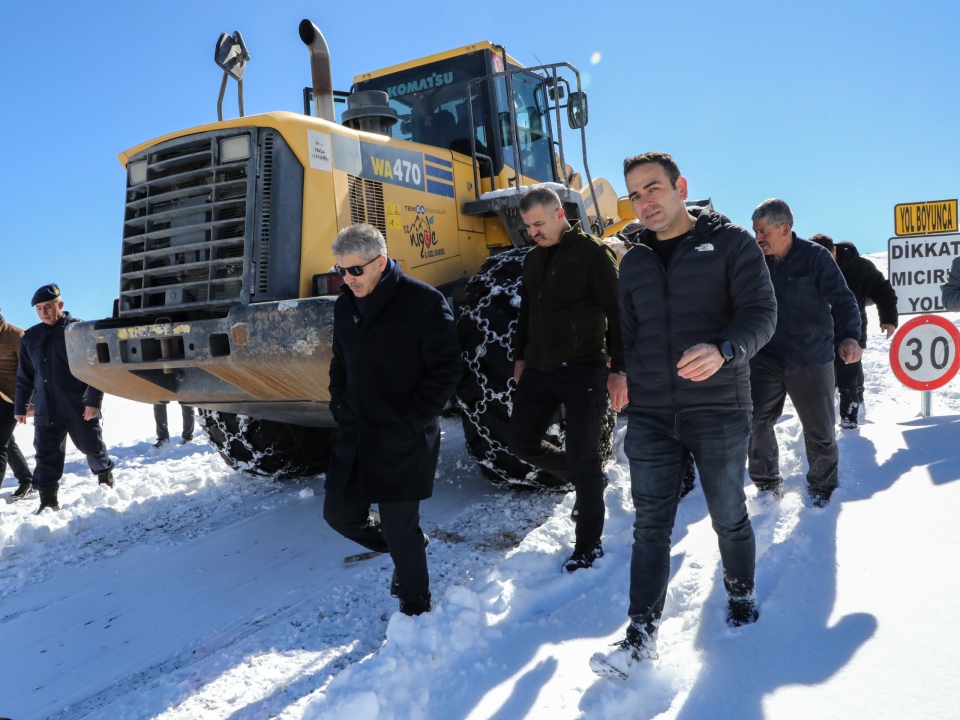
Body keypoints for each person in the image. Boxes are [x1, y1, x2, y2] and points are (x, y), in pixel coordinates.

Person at [590, 152, 777, 678]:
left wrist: (724, 349)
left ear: (680, 187)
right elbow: (627, 332)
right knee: (650, 526)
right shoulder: (632, 261)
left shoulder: (733, 243)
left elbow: (762, 316)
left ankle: (741, 596)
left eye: (653, 188)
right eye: (635, 194)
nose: (644, 201)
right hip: (650, 414)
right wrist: (618, 371)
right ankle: (639, 635)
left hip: (718, 407)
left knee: (727, 514)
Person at [322, 224, 462, 616]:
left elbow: (447, 368)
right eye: (341, 272)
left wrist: (412, 418)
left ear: (380, 263)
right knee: (339, 515)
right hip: (357, 432)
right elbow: (340, 363)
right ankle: (408, 548)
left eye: (355, 271)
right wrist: (339, 404)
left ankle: (415, 609)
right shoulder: (344, 305)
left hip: (404, 436)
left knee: (400, 526)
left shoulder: (422, 301)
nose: (348, 280)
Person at [507, 185, 627, 573]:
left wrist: (618, 370)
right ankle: (587, 481)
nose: (533, 233)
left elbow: (617, 312)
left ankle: (588, 546)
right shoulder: (532, 259)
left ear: (560, 215)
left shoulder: (593, 253)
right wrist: (520, 355)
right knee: (520, 442)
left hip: (583, 369)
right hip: (539, 370)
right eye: (527, 227)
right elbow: (526, 310)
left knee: (583, 453)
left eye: (538, 224)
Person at [750, 201, 861, 507]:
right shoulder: (756, 262)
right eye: (755, 230)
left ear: (784, 228)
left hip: (812, 358)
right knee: (757, 419)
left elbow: (843, 300)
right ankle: (766, 484)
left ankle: (822, 490)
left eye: (763, 230)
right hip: (767, 357)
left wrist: (850, 336)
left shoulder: (815, 257)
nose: (757, 237)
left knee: (819, 430)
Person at [14, 284, 116, 513]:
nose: (44, 313)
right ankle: (48, 502)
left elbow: (95, 368)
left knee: (91, 447)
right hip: (45, 409)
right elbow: (25, 376)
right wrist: (21, 405)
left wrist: (93, 401)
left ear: (60, 305)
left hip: (77, 406)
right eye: (39, 309)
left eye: (48, 307)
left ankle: (104, 476)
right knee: (45, 455)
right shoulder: (31, 337)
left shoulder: (78, 331)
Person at [810, 234, 898, 427]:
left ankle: (851, 419)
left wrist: (888, 318)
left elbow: (883, 290)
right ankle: (825, 415)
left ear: (834, 251)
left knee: (850, 375)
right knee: (823, 377)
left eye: (827, 255)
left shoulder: (859, 267)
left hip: (850, 332)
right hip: (817, 335)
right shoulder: (806, 263)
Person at [1, 310, 34, 499]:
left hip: (14, 398)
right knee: (6, 441)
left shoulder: (16, 335)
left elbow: (31, 371)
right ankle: (26, 480)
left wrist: (30, 402)